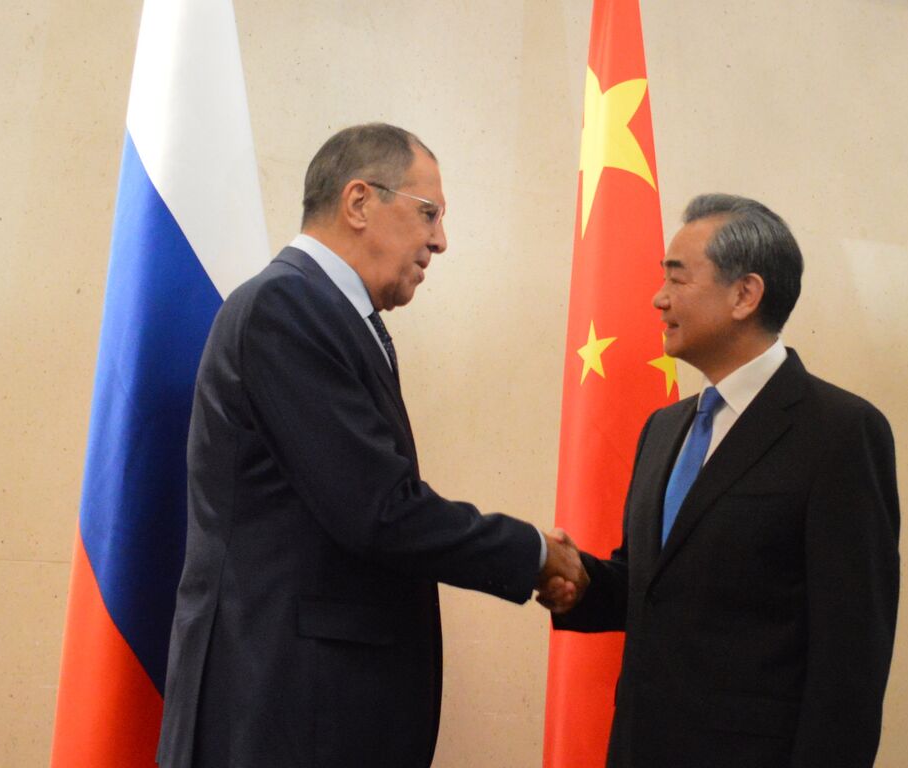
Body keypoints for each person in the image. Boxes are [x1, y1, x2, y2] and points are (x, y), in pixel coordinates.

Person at [155, 123, 587, 768]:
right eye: (429, 213)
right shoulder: (287, 308)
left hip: (309, 711)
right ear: (359, 202)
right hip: (280, 713)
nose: (440, 241)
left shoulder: (327, 313)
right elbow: (378, 512)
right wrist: (531, 553)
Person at [542, 194, 900, 767]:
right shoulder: (663, 428)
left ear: (745, 294)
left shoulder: (840, 432)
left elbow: (851, 659)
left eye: (677, 280)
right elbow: (650, 587)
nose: (659, 299)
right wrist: (579, 581)